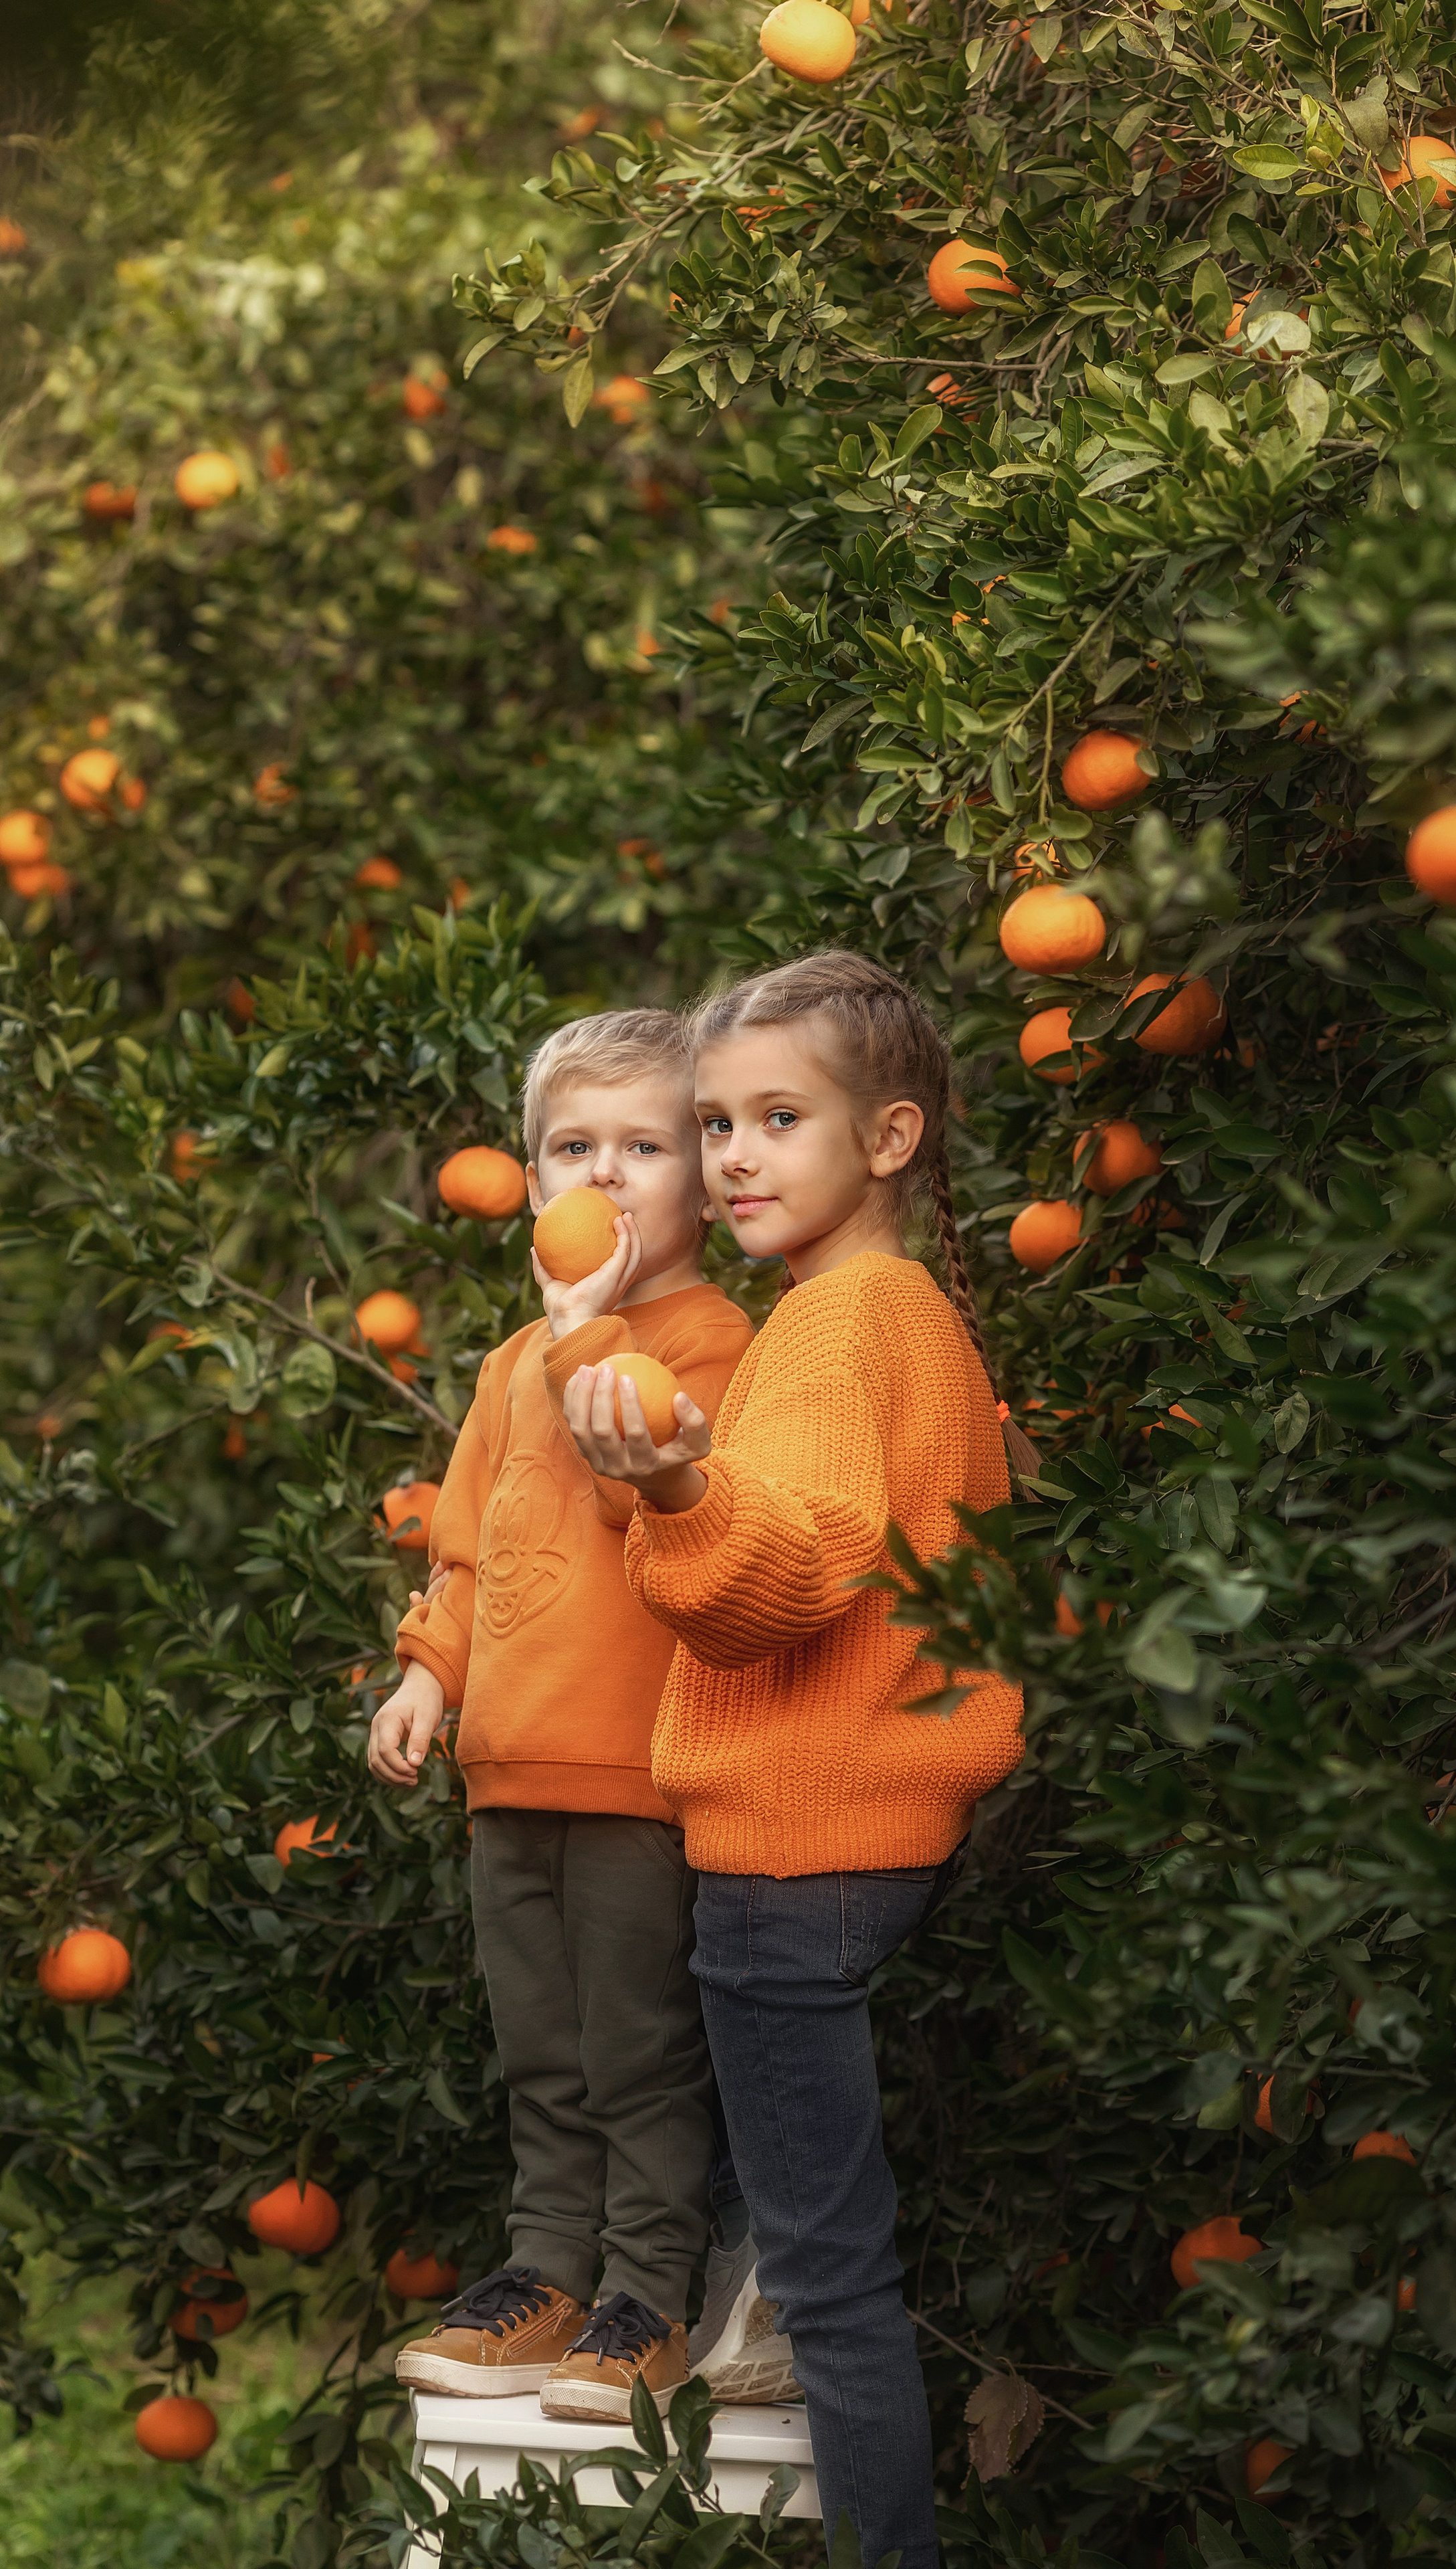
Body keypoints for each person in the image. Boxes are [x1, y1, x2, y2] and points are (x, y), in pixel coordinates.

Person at [562, 953, 1026, 2566]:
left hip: (792, 1850)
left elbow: (788, 1578)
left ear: (888, 1138)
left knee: (832, 2282)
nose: (736, 1156)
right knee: (809, 2250)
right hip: (870, 1832)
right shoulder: (898, 1312)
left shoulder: (836, 1325)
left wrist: (679, 1497)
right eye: (716, 1123)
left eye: (779, 1118)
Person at [369, 1010, 754, 2422]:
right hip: (504, 1771)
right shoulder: (501, 1367)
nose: (602, 1176)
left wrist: (592, 1350)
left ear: (702, 1181)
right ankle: (544, 2273)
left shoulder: (716, 1345)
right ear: (531, 1187)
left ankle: (645, 2293)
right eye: (568, 1150)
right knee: (537, 2042)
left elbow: (658, 1513)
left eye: (641, 1147)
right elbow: (470, 1548)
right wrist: (427, 1673)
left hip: (639, 1774)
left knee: (637, 2045)